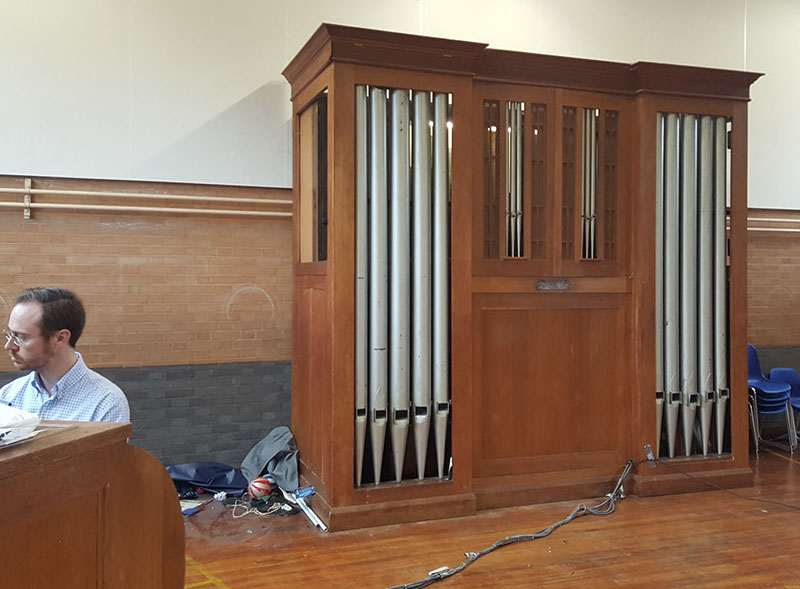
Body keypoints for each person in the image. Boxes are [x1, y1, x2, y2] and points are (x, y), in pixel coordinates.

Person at [1, 287, 129, 422]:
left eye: (20, 337)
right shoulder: (8, 396)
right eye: (9, 334)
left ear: (60, 338)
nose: (9, 346)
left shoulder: (106, 403)